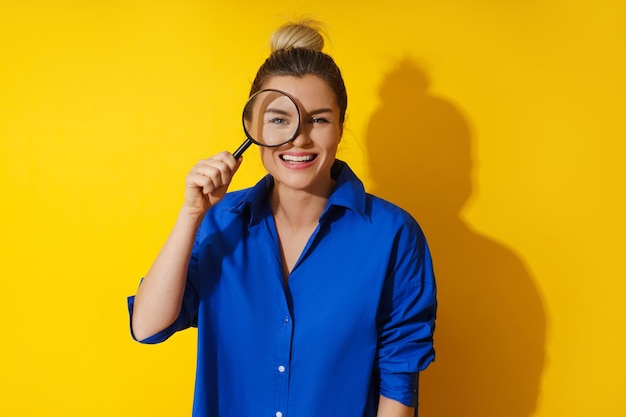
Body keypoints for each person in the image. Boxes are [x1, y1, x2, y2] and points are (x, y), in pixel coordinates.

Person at [128, 19, 437, 417]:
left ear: (341, 126)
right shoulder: (220, 222)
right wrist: (191, 215)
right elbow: (147, 327)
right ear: (255, 128)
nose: (299, 137)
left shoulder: (393, 234)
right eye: (279, 120)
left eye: (319, 119)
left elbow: (399, 379)